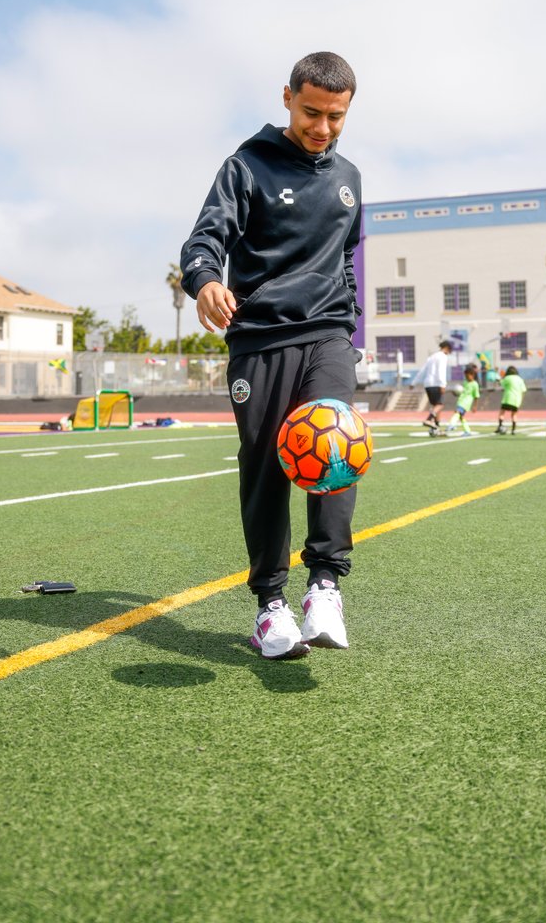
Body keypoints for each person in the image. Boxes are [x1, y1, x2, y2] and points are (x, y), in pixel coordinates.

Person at [180, 52, 361, 660]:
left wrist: (350, 319)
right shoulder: (246, 166)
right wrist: (205, 279)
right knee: (265, 467)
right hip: (259, 339)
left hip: (329, 334)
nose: (323, 127)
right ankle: (270, 607)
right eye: (312, 112)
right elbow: (206, 237)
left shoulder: (350, 178)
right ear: (287, 98)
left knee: (334, 443)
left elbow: (345, 260)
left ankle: (325, 586)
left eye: (336, 116)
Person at [412, 340, 452, 435]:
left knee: (436, 406)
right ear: (446, 348)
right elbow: (441, 371)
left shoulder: (431, 357)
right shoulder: (442, 357)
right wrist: (443, 384)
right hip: (436, 383)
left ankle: (436, 428)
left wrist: (414, 382)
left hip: (428, 384)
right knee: (440, 405)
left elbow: (422, 370)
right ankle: (429, 419)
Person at [445, 362, 480, 436]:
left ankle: (452, 424)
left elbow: (476, 396)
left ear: (472, 375)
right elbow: (462, 392)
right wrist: (455, 393)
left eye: (468, 376)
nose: (466, 377)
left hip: (466, 403)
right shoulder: (465, 382)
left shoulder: (475, 384)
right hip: (461, 401)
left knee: (457, 412)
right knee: (461, 417)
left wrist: (475, 406)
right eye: (465, 376)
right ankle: (467, 431)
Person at [495, 365, 526, 435]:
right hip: (516, 400)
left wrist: (498, 379)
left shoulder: (507, 378)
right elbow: (523, 390)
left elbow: (501, 383)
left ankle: (500, 426)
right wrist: (521, 400)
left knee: (502, 413)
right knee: (514, 415)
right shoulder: (520, 379)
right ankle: (513, 430)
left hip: (507, 399)